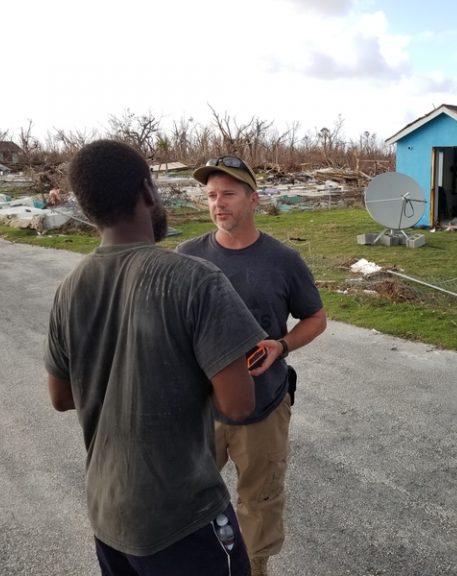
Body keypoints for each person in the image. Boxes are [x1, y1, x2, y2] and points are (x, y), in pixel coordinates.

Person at [44, 140, 267, 576]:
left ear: (89, 210)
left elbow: (60, 396)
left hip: (109, 517)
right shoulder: (195, 279)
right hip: (181, 520)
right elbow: (238, 404)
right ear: (148, 192)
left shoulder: (70, 287)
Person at [177, 156, 327, 576]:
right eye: (210, 195)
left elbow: (316, 319)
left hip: (264, 406)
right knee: (186, 495)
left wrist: (281, 345)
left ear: (254, 199)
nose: (217, 204)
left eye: (228, 194)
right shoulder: (187, 257)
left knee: (259, 501)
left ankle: (253, 568)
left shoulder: (283, 260)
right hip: (199, 408)